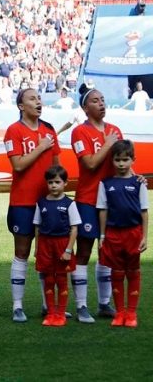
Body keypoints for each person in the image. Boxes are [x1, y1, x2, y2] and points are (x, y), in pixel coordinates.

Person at [3, 89, 61, 322]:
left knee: (47, 253)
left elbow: (56, 167)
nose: (38, 101)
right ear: (21, 106)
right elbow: (18, 165)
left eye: (39, 98)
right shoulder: (14, 130)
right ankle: (17, 306)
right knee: (22, 252)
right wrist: (41, 147)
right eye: (32, 98)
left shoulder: (49, 130)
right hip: (23, 202)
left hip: (48, 202)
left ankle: (49, 305)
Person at [70, 83, 124, 323]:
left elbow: (123, 161)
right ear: (85, 108)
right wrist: (108, 144)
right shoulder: (80, 132)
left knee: (107, 252)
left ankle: (104, 304)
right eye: (95, 100)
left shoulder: (114, 130)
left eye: (102, 99)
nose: (101, 103)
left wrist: (135, 177)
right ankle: (81, 306)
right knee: (83, 251)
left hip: (112, 201)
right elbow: (90, 164)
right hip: (88, 200)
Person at [97, 140, 149, 328]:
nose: (121, 163)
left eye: (125, 160)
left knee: (133, 271)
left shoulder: (139, 183)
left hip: (133, 233)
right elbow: (103, 210)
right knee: (117, 272)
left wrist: (144, 236)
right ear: (112, 160)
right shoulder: (105, 184)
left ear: (133, 160)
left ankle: (131, 313)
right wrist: (102, 236)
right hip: (113, 234)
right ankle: (119, 313)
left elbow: (144, 211)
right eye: (117, 160)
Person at [34, 165, 81, 327]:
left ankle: (60, 313)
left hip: (62, 244)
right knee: (48, 279)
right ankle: (50, 313)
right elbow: (37, 227)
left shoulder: (69, 204)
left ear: (65, 183)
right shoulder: (41, 203)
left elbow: (74, 228)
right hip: (45, 244)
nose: (53, 185)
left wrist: (68, 250)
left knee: (61, 279)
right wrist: (37, 248)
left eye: (57, 182)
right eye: (50, 182)